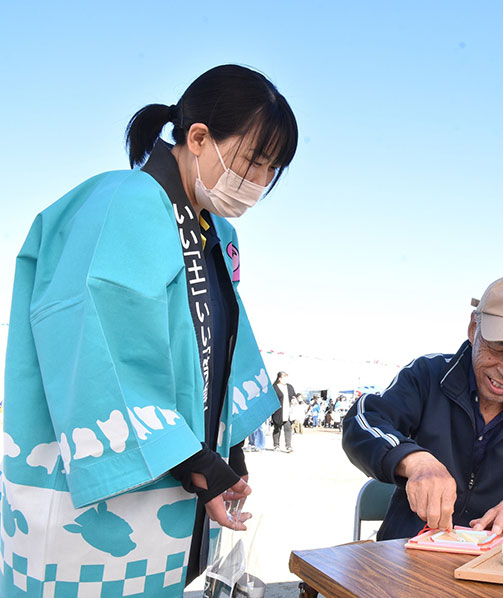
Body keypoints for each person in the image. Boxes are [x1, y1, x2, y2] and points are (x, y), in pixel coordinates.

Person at [1, 64, 298, 597]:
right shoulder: (123, 199)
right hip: (96, 501)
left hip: (176, 493)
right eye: (253, 160)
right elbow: (96, 346)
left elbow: (220, 360)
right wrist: (197, 462)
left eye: (271, 170)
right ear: (199, 137)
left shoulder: (215, 232)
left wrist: (222, 459)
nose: (258, 183)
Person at [342, 274, 503, 540]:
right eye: (498, 348)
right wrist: (414, 461)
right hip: (406, 555)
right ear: (473, 328)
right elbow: (362, 421)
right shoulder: (427, 375)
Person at [272, 371, 297, 452]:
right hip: (278, 411)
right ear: (280, 378)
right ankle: (276, 445)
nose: (286, 379)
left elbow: (293, 396)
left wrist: (293, 400)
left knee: (288, 428)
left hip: (287, 411)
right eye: (284, 377)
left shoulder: (289, 387)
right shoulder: (274, 387)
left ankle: (288, 446)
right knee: (277, 428)